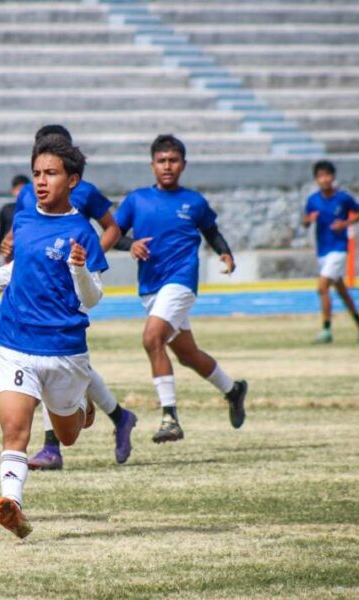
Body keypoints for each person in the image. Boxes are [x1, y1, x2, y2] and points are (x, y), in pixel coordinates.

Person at [0, 135, 108, 539]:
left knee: (69, 436)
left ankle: (82, 407)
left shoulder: (83, 231)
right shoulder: (23, 218)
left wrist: (78, 269)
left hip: (64, 351)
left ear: (72, 180)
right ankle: (12, 504)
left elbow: (92, 298)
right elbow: (16, 271)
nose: (41, 181)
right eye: (37, 173)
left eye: (51, 174)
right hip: (14, 343)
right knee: (14, 428)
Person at [2, 124, 137, 470]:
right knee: (61, 360)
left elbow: (113, 226)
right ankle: (114, 417)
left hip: (75, 276)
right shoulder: (30, 195)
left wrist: (87, 260)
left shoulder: (85, 191)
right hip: (40, 279)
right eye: (38, 168)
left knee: (64, 357)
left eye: (52, 166)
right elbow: (24, 229)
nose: (43, 177)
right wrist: (10, 245)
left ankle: (54, 445)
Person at [115, 134, 247, 444]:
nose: (167, 166)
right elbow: (113, 233)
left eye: (173, 160)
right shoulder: (137, 200)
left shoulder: (195, 202)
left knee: (152, 338)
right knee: (187, 355)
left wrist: (224, 251)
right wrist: (129, 244)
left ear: (183, 165)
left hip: (181, 281)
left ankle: (169, 417)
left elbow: (211, 232)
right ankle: (233, 390)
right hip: (151, 288)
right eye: (162, 161)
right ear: (152, 165)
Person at [303, 160, 359, 343]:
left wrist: (346, 223)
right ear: (316, 179)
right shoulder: (313, 200)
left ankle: (326, 330)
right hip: (322, 251)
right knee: (341, 291)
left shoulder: (343, 198)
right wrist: (309, 219)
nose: (324, 179)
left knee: (322, 287)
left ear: (333, 177)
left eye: (327, 175)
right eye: (320, 176)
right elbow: (304, 222)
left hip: (339, 249)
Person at [0, 174, 28, 270]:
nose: (20, 193)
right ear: (13, 191)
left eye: (23, 189)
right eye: (18, 189)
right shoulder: (7, 210)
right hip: (10, 252)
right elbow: (0, 234)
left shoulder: (33, 211)